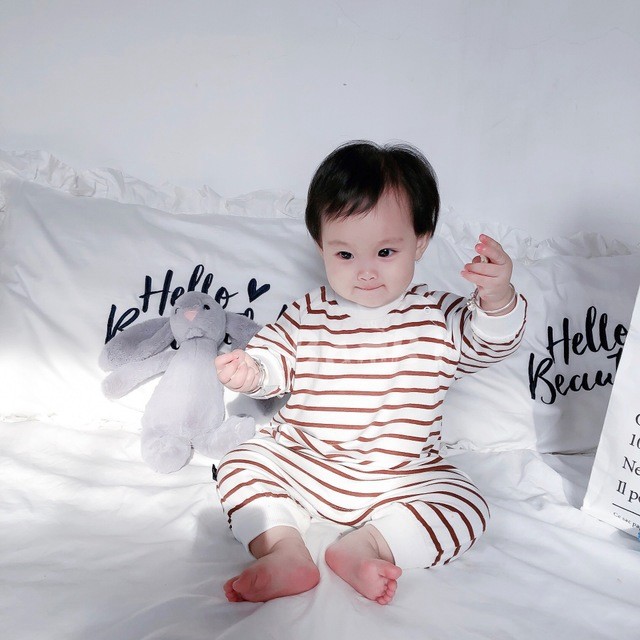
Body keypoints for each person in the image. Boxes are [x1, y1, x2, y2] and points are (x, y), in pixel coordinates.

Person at [215, 140, 526, 606]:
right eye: (345, 255)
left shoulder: (438, 317)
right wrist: (249, 373)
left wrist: (497, 298)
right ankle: (285, 550)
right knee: (241, 463)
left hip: (400, 476)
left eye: (384, 252)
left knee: (467, 504)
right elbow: (273, 360)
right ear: (321, 246)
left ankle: (368, 546)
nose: (364, 272)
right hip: (304, 462)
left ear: (420, 242)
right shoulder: (308, 312)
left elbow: (490, 340)